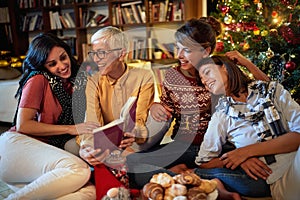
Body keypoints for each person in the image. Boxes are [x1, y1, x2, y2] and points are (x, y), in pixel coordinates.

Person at [126, 17, 269, 189]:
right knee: (131, 164)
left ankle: (184, 176)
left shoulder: (219, 72)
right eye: (177, 48)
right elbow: (165, 108)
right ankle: (185, 175)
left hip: (219, 149)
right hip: (183, 146)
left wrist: (245, 62)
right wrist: (154, 105)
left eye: (186, 50)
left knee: (140, 173)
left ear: (205, 51)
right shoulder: (173, 76)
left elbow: (267, 91)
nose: (179, 55)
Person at [0, 33, 98, 199]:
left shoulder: (74, 82)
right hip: (17, 148)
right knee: (80, 170)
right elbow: (23, 125)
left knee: (89, 191)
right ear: (43, 66)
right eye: (52, 64)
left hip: (42, 160)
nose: (62, 66)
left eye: (63, 57)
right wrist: (70, 128)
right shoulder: (38, 79)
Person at [195, 55, 300, 199]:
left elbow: (298, 136)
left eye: (207, 72)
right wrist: (239, 160)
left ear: (224, 67)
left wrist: (245, 152)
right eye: (202, 81)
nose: (205, 81)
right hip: (276, 177)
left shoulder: (271, 91)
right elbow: (204, 162)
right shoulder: (221, 116)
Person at [78, 26, 155, 167]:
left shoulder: (144, 76)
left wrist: (135, 134)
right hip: (106, 140)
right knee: (77, 148)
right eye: (94, 53)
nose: (96, 59)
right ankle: (131, 159)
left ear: (121, 54)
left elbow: (140, 118)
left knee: (158, 124)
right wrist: (86, 148)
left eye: (101, 53)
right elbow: (92, 121)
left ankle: (130, 158)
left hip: (132, 138)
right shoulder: (92, 81)